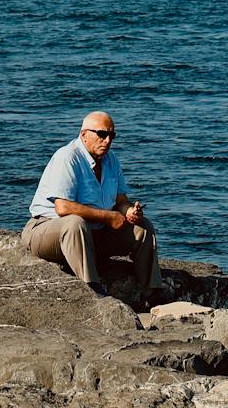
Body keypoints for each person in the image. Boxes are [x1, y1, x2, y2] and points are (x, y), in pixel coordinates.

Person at [22, 110, 165, 302]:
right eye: (102, 134)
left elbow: (121, 201)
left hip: (92, 234)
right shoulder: (67, 157)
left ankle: (152, 292)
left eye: (112, 135)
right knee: (74, 223)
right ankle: (93, 289)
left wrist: (130, 211)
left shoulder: (111, 160)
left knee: (143, 228)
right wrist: (108, 216)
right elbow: (63, 208)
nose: (108, 140)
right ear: (84, 135)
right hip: (47, 229)